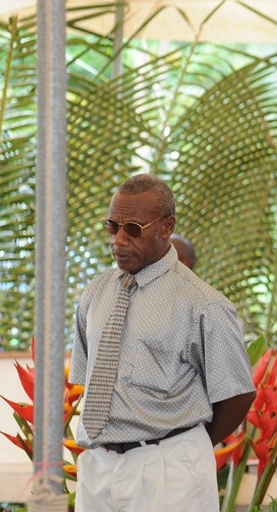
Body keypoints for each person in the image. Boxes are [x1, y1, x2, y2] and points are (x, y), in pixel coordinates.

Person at [69, 173, 257, 511]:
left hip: (168, 470)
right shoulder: (95, 294)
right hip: (99, 468)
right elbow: (88, 380)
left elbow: (239, 393)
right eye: (112, 226)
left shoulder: (202, 303)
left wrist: (185, 446)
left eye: (133, 229)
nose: (119, 241)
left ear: (166, 227)